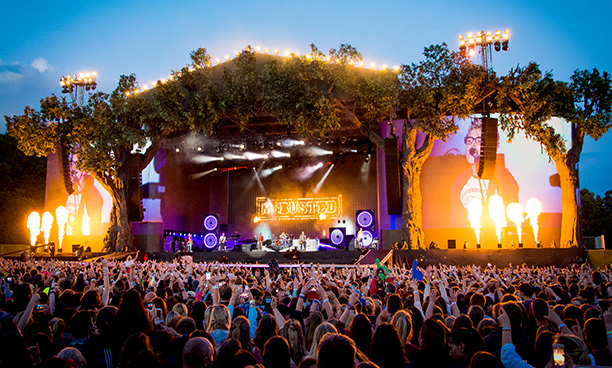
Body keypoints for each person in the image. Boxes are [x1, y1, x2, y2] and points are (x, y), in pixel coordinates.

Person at [450, 118, 519, 228]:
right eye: (469, 140)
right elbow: (455, 224)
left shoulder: (503, 177)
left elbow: (513, 220)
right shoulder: (459, 183)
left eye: (478, 141)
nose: (472, 145)